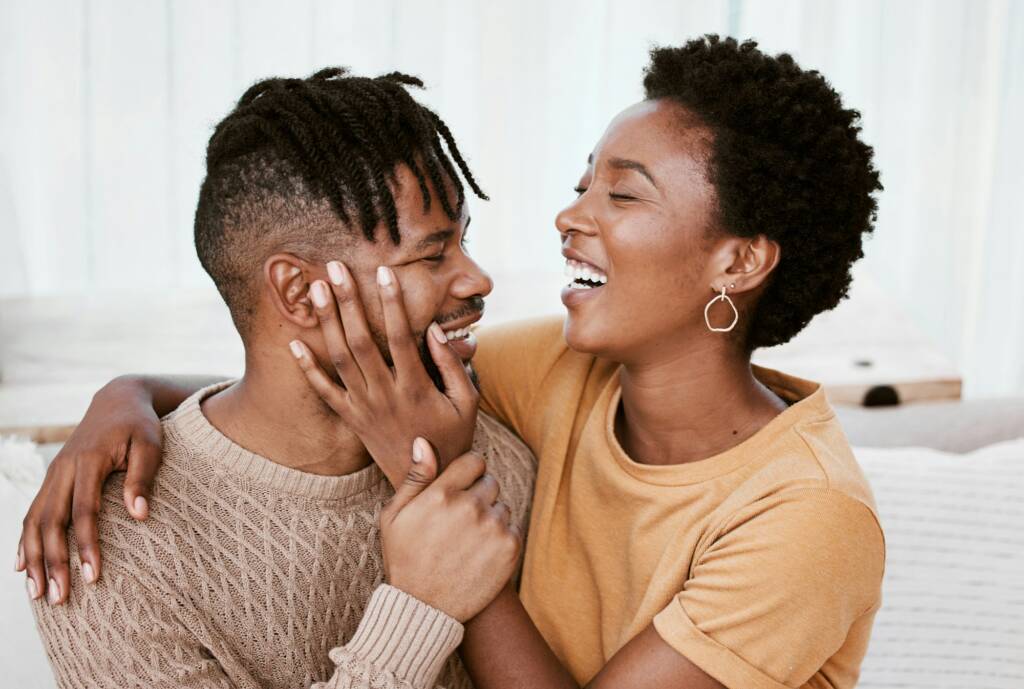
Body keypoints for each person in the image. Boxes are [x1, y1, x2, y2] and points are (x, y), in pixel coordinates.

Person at [21, 36, 886, 689]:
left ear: (738, 262)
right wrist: (125, 395)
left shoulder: (805, 517)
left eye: (622, 193)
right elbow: (287, 377)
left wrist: (437, 524)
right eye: (435, 254)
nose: (564, 218)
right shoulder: (546, 376)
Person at [23, 66, 536, 689]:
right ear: (299, 291)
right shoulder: (110, 548)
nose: (477, 280)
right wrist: (416, 613)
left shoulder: (492, 458)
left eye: (463, 242)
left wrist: (129, 389)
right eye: (432, 254)